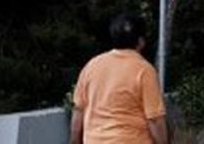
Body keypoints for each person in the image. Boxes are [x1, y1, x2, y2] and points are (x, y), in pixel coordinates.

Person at [69, 13, 168, 144]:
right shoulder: (144, 70)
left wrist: (74, 141)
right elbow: (154, 119)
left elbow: (78, 111)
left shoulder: (92, 66)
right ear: (141, 41)